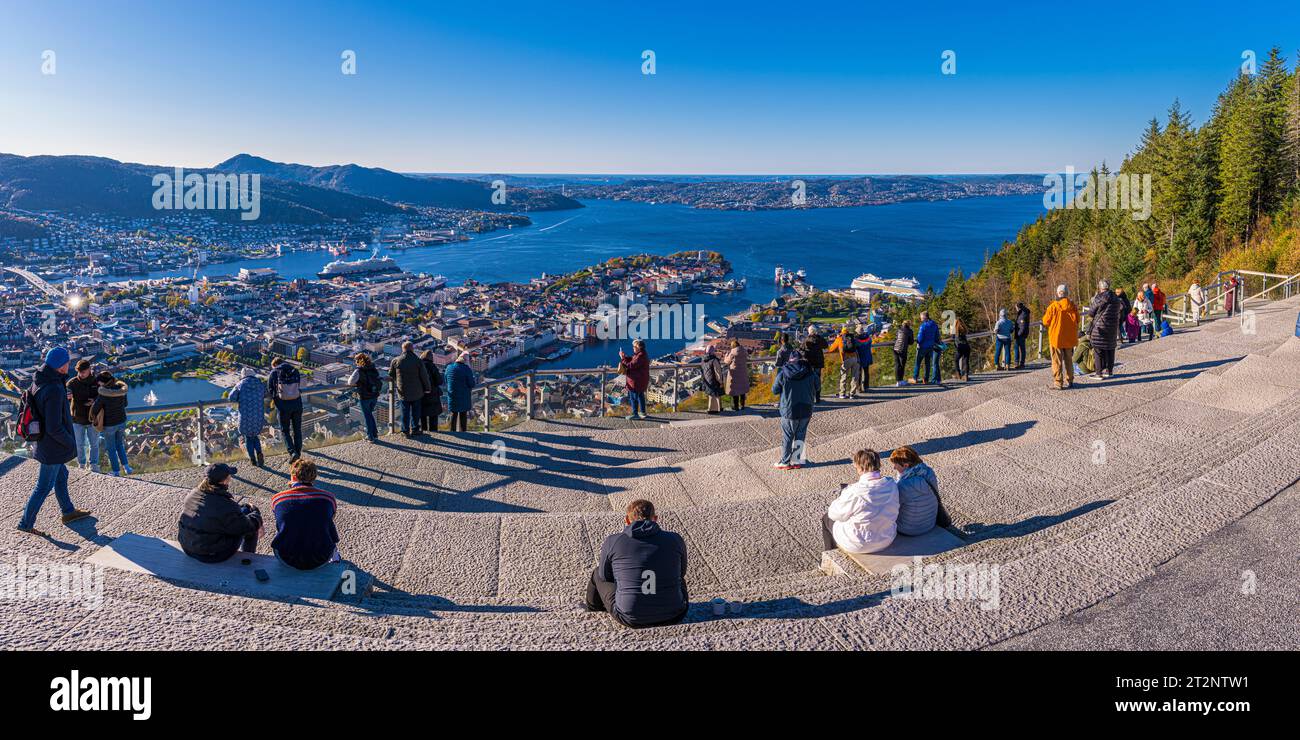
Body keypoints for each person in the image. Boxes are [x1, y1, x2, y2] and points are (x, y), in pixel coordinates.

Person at [17, 347, 91, 536]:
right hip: (53, 446)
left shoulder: (40, 380)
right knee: (42, 487)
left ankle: (68, 512)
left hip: (43, 442)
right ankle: (25, 523)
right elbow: (54, 427)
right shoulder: (54, 389)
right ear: (60, 366)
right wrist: (70, 443)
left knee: (62, 476)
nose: (70, 365)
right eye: (68, 362)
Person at [584, 499, 689, 628]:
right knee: (678, 578)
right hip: (675, 615)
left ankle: (594, 612)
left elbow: (605, 577)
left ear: (627, 520)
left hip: (631, 617)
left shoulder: (613, 541)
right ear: (655, 518)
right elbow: (682, 572)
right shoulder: (675, 539)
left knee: (597, 573)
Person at [178, 462, 261, 563]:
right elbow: (247, 527)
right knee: (251, 526)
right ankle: (249, 557)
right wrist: (256, 514)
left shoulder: (192, 494)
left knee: (244, 510)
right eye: (229, 476)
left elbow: (215, 511)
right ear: (224, 481)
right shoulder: (227, 505)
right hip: (211, 555)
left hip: (188, 547)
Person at [821, 449, 899, 554]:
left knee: (826, 519)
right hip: (886, 538)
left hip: (858, 544)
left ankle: (829, 554)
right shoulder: (892, 484)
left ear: (859, 467)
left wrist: (843, 495)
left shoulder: (855, 491)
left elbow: (834, 514)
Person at [271, 459, 340, 570]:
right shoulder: (328, 498)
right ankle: (335, 557)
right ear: (314, 477)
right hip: (321, 557)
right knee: (324, 519)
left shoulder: (277, 499)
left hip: (286, 558)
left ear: (293, 477)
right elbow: (331, 517)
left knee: (285, 521)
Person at [770, 348, 817, 469]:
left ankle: (785, 461)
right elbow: (817, 388)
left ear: (790, 360)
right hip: (806, 408)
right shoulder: (811, 372)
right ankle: (796, 460)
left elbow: (775, 390)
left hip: (789, 409)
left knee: (788, 436)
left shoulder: (783, 373)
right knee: (801, 434)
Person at [889, 446, 940, 536]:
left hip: (909, 529)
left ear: (906, 465)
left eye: (895, 464)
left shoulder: (904, 484)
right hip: (930, 523)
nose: (894, 468)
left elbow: (893, 507)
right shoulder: (929, 472)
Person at [91, 371, 131, 476]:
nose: (98, 384)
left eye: (99, 382)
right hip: (121, 421)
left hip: (109, 424)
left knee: (111, 448)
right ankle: (127, 467)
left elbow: (95, 409)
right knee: (119, 445)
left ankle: (116, 471)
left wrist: (93, 404)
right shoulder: (121, 390)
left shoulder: (103, 393)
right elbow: (125, 404)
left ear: (103, 383)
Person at [389, 341, 432, 437]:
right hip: (417, 391)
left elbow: (391, 374)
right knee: (416, 412)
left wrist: (398, 381)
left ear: (403, 349)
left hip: (403, 391)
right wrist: (427, 388)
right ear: (412, 349)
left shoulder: (396, 360)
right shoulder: (418, 360)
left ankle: (405, 431)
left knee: (405, 412)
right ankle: (415, 429)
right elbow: (424, 376)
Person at [1041, 284, 1079, 390]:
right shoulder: (1073, 306)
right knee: (1068, 359)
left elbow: (1045, 321)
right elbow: (1077, 320)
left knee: (1056, 361)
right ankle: (1070, 380)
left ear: (1058, 293)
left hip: (1056, 338)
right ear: (1067, 294)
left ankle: (1058, 382)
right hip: (1069, 338)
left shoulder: (1053, 306)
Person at [65, 358, 100, 472]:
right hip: (77, 417)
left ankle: (93, 464)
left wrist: (94, 401)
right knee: (79, 444)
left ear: (89, 370)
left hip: (92, 418)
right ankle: (82, 464)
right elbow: (65, 395)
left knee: (94, 444)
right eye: (79, 372)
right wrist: (67, 396)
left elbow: (102, 396)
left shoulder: (96, 381)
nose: (81, 374)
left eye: (83, 372)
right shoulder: (72, 383)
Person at [228, 367, 267, 465]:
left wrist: (240, 397)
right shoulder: (260, 384)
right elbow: (265, 394)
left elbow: (231, 397)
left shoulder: (240, 384)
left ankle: (252, 458)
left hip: (245, 416)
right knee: (255, 436)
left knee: (248, 438)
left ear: (243, 375)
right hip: (258, 416)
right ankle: (259, 453)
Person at [267, 357, 304, 461]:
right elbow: (298, 386)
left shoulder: (275, 372)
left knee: (285, 431)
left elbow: (270, 389)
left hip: (283, 405)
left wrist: (277, 401)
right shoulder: (295, 370)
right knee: (297, 430)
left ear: (274, 365)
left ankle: (292, 453)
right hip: (297, 403)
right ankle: (298, 452)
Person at [1086, 279, 1123, 379]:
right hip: (1112, 327)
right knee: (1110, 349)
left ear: (1100, 287)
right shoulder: (1115, 298)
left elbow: (1091, 312)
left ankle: (1098, 373)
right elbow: (1120, 309)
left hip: (1100, 327)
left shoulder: (1099, 297)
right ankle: (1109, 371)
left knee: (1098, 349)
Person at [347, 352, 383, 443]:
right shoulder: (373, 368)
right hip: (374, 395)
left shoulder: (358, 371)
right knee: (370, 414)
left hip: (364, 396)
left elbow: (350, 382)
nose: (355, 362)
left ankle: (370, 436)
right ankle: (374, 434)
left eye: (355, 360)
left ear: (358, 361)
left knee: (367, 416)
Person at [444, 352, 476, 432]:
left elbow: (446, 380)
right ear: (466, 361)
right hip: (463, 396)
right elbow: (472, 384)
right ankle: (463, 432)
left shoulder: (449, 367)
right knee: (463, 414)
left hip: (452, 395)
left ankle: (453, 432)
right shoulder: (466, 369)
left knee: (453, 414)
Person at [620, 339, 650, 420]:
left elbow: (631, 365)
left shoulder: (640, 356)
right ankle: (643, 412)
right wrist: (625, 357)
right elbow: (633, 360)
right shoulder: (641, 354)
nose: (633, 348)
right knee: (640, 396)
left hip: (636, 381)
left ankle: (635, 414)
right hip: (640, 380)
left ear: (638, 347)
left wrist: (623, 359)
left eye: (634, 346)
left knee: (633, 398)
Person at [827, 326, 861, 399]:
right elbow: (858, 345)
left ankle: (842, 394)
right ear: (848, 332)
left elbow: (831, 349)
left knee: (844, 376)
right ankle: (852, 394)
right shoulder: (852, 338)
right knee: (855, 376)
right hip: (855, 358)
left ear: (841, 332)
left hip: (846, 359)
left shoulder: (839, 339)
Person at [913, 311, 941, 384]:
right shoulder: (934, 324)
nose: (920, 318)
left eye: (921, 317)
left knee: (917, 362)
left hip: (923, 347)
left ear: (924, 317)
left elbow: (920, 338)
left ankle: (915, 378)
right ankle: (926, 379)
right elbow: (937, 335)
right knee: (927, 363)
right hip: (931, 347)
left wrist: (918, 343)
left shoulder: (923, 326)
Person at [419, 350, 443, 433]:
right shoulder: (432, 366)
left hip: (421, 393)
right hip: (433, 393)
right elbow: (439, 381)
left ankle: (424, 431)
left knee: (423, 414)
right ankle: (433, 431)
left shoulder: (419, 365)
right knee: (433, 414)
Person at [723, 339, 750, 412]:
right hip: (743, 372)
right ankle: (743, 405)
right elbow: (748, 358)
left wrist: (726, 356)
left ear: (733, 346)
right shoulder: (744, 351)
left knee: (735, 391)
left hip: (735, 373)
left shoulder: (733, 352)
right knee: (742, 390)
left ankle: (736, 406)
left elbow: (727, 361)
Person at [803, 326, 828, 402]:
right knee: (817, 380)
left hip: (809, 363)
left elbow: (802, 349)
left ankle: (810, 397)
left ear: (809, 331)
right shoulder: (819, 339)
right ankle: (817, 397)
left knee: (809, 380)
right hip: (818, 362)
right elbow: (826, 345)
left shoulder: (806, 340)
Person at [699, 345, 725, 414]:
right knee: (716, 395)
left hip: (707, 380)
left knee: (711, 394)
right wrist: (721, 381)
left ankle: (712, 408)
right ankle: (715, 409)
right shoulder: (714, 360)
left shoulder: (703, 359)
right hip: (714, 380)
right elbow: (718, 372)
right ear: (713, 352)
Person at [892, 320, 913, 386]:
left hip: (895, 349)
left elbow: (895, 339)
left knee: (897, 365)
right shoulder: (909, 331)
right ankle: (901, 380)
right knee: (902, 366)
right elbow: (911, 342)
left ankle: (898, 382)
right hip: (903, 350)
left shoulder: (899, 330)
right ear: (909, 325)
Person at [855, 325, 875, 391]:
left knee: (859, 373)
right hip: (867, 356)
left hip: (860, 357)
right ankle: (866, 387)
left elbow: (855, 346)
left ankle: (859, 387)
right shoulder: (868, 338)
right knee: (866, 372)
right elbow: (870, 342)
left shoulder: (856, 339)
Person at [1013, 301, 1031, 368]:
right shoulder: (1024, 312)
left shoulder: (1023, 314)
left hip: (1020, 334)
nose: (1015, 309)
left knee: (1018, 348)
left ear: (1018, 307)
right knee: (1021, 348)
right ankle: (1021, 363)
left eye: (1016, 307)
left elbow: (1022, 326)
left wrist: (1018, 334)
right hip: (1022, 333)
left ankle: (1018, 363)